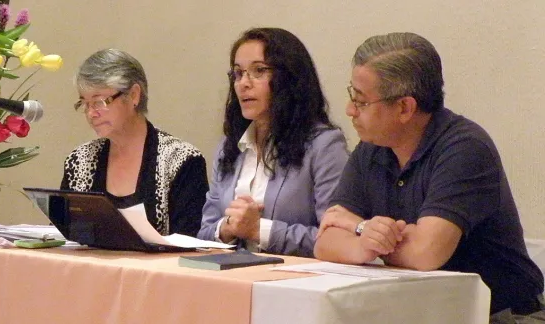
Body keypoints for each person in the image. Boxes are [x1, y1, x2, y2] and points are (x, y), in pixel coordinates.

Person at [314, 32, 545, 321]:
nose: (349, 111)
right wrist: (363, 238)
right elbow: (326, 241)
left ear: (404, 108)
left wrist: (362, 234)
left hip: (503, 316)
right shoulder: (371, 148)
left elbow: (425, 253)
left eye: (361, 102)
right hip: (422, 311)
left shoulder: (465, 147)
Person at [197, 27, 348, 257]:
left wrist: (260, 230)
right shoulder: (230, 147)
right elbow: (204, 232)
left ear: (289, 79)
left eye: (258, 71)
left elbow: (336, 238)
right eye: (238, 73)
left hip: (295, 282)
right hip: (231, 279)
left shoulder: (323, 146)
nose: (243, 84)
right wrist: (227, 228)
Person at [61, 49, 208, 237]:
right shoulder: (80, 161)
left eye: (99, 102)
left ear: (133, 95)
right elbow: (64, 235)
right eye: (85, 104)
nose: (91, 113)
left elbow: (189, 244)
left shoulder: (181, 160)